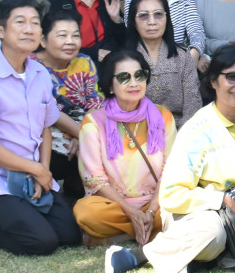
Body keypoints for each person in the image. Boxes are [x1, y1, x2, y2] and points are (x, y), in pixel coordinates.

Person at [109, 43, 235, 273]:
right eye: (232, 77)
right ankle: (137, 255)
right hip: (196, 219)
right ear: (213, 81)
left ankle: (211, 261)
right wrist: (222, 200)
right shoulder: (197, 129)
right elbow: (171, 195)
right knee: (214, 233)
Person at [0, 0, 82, 256]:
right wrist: (36, 169)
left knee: (70, 235)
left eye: (35, 23)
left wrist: (42, 170)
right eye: (20, 22)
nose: (30, 29)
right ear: (0, 31)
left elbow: (46, 127)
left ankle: (21, 215)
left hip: (32, 173)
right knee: (40, 242)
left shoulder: (39, 74)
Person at [75, 48, 176, 259]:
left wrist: (150, 211)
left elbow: (171, 168)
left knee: (181, 207)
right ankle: (149, 230)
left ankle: (117, 237)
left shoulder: (162, 115)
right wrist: (132, 212)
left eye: (139, 75)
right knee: (86, 212)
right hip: (116, 204)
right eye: (124, 77)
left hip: (155, 202)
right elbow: (95, 180)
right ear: (109, 85)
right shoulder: (93, 122)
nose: (134, 83)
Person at [37, 7, 99, 199]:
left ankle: (80, 190)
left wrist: (80, 134)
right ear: (43, 40)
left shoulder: (84, 62)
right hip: (47, 130)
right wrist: (82, 135)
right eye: (62, 35)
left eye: (75, 35)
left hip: (80, 127)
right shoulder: (32, 68)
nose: (70, 42)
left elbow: (95, 103)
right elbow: (49, 111)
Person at [125, 0, 204, 123]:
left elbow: (193, 103)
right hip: (137, 132)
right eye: (144, 15)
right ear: (133, 21)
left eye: (158, 14)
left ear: (167, 18)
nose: (152, 22)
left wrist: (180, 137)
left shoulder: (182, 57)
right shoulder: (124, 60)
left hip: (180, 132)